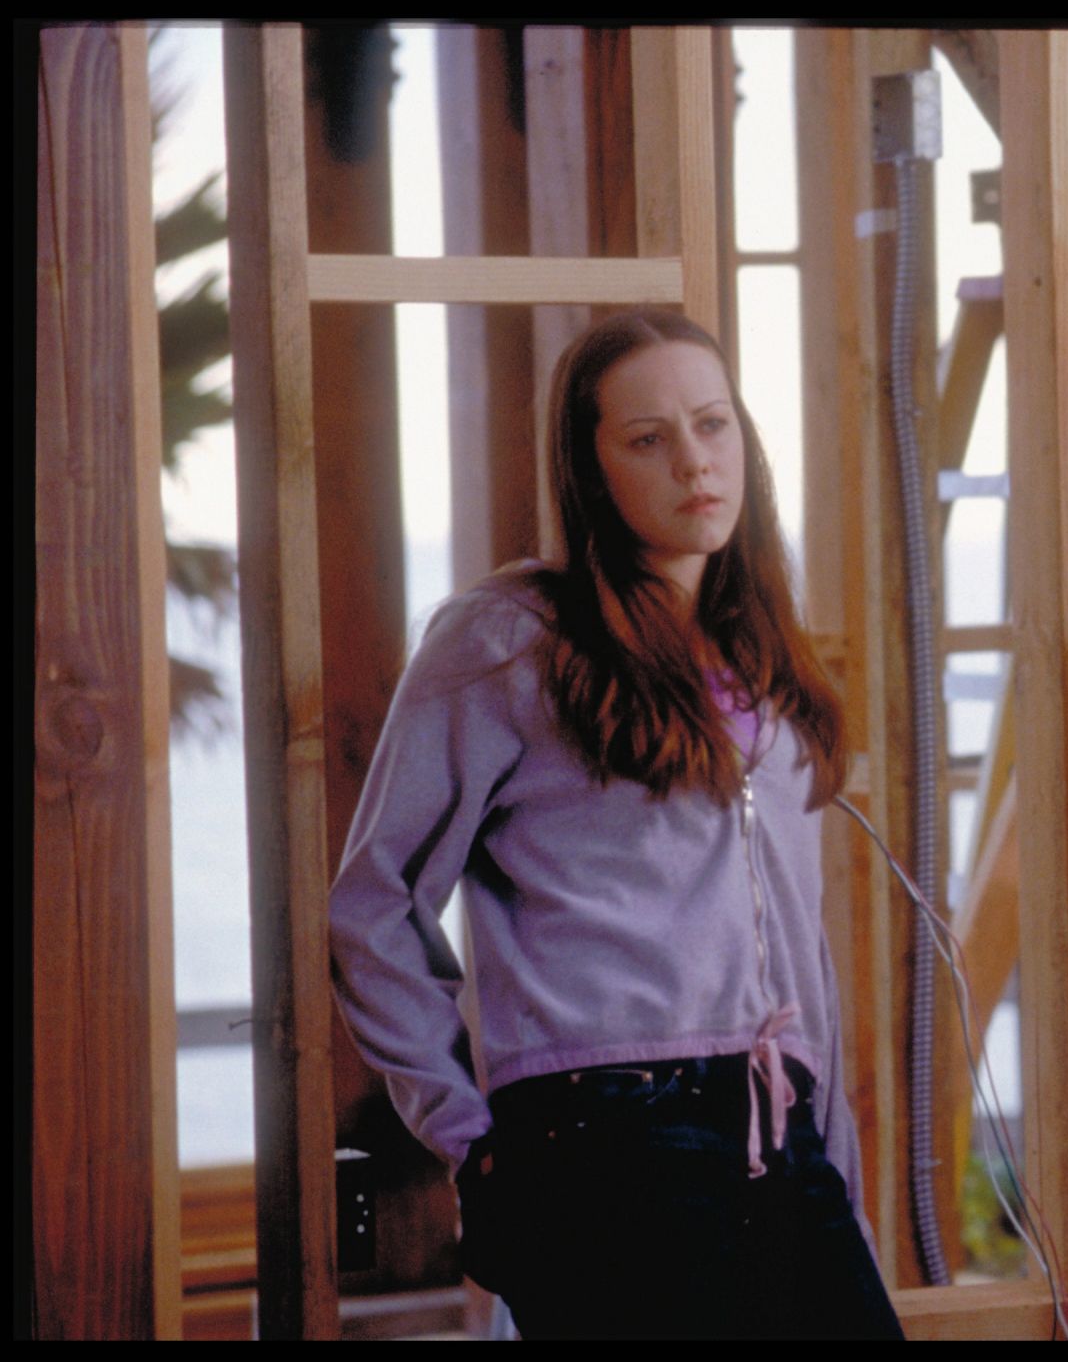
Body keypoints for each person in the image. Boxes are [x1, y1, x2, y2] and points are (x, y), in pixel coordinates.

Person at [328, 308, 903, 1340]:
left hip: (773, 1127)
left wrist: (830, 1161)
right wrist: (470, 1138)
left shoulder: (761, 656)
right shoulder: (506, 640)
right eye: (648, 438)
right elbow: (374, 906)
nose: (694, 461)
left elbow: (796, 943)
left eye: (713, 424)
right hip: (603, 1136)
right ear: (591, 470)